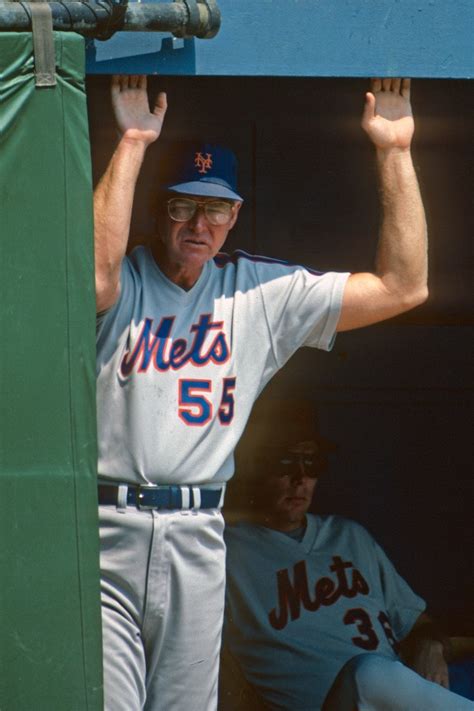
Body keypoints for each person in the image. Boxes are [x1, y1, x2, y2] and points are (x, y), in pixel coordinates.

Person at [94, 74, 428, 710]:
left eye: (215, 208)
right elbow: (92, 275)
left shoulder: (256, 295)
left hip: (199, 525)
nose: (199, 224)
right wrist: (133, 142)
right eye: (183, 205)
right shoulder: (126, 281)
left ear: (235, 215)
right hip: (110, 518)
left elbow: (402, 287)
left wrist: (395, 150)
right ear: (158, 209)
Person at [221, 400, 474, 711]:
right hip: (334, 702)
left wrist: (432, 646)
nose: (301, 479)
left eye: (311, 464)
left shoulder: (350, 535)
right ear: (256, 465)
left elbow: (418, 623)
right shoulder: (227, 552)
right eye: (285, 462)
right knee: (366, 673)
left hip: (400, 699)